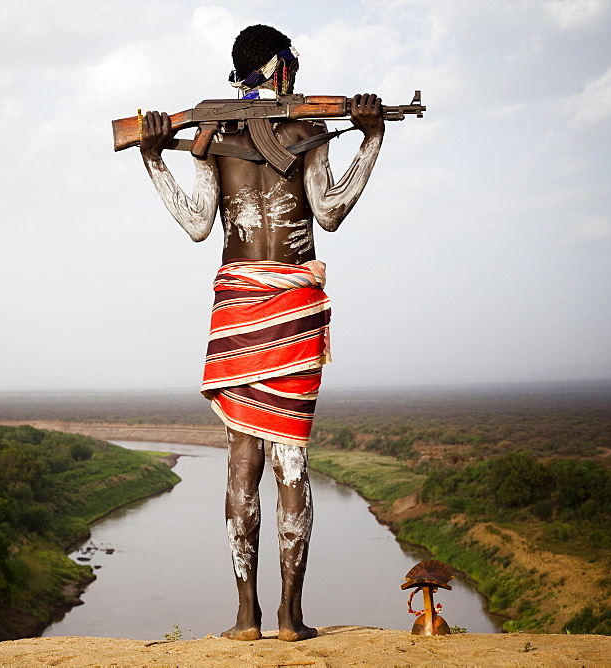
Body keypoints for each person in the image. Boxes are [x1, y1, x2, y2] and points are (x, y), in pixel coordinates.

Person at [139, 24, 385, 642]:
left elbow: (198, 225)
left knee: (241, 460)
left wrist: (152, 160)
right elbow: (329, 213)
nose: (295, 73)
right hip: (292, 306)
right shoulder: (306, 133)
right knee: (291, 463)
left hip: (238, 308)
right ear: (277, 68)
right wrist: (372, 140)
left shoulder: (212, 140)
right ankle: (288, 617)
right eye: (290, 63)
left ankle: (245, 616)